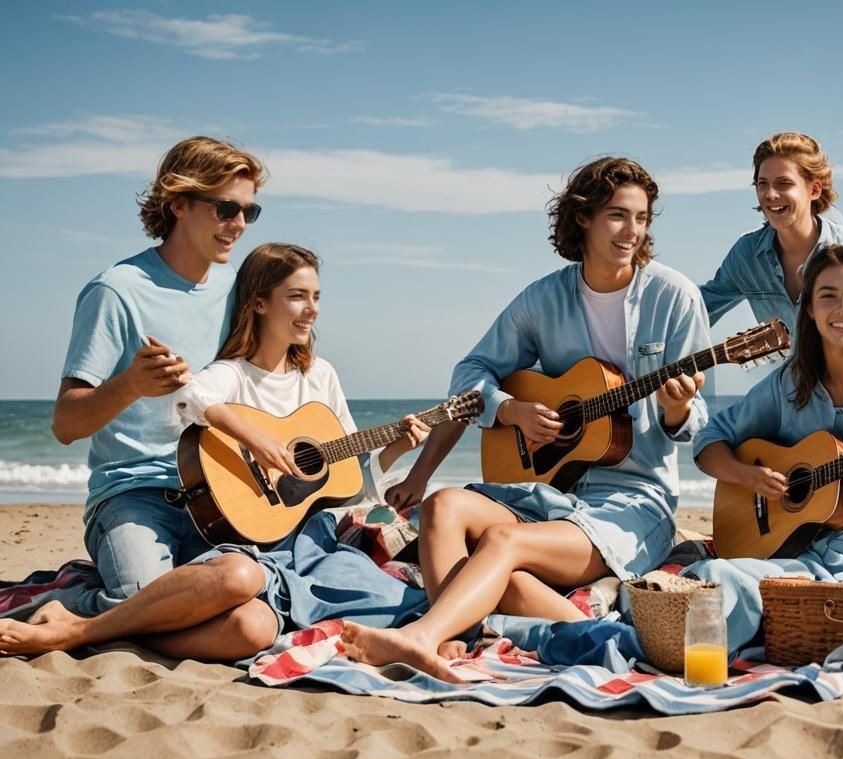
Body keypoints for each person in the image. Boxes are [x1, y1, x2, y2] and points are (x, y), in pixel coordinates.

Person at [341, 157, 711, 678]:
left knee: (500, 543)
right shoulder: (544, 299)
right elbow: (470, 371)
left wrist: (676, 410)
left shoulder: (675, 297)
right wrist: (510, 409)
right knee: (445, 507)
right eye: (617, 216)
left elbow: (696, 423)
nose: (632, 231)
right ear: (583, 217)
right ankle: (453, 638)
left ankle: (425, 634)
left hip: (631, 500)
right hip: (548, 489)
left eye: (642, 218)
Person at [0, 244, 429, 660]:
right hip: (217, 526)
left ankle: (83, 624)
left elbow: (347, 482)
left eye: (316, 296)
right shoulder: (229, 373)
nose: (312, 308)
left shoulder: (321, 375)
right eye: (298, 296)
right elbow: (188, 398)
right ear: (259, 304)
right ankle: (81, 618)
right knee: (162, 595)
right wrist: (256, 440)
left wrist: (394, 450)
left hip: (276, 539)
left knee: (252, 627)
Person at [682, 244, 843, 651]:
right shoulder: (788, 383)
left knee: (838, 603)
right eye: (828, 296)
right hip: (788, 553)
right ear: (811, 311)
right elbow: (709, 440)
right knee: (713, 574)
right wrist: (749, 476)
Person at [52, 137, 266, 616]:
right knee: (142, 603)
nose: (237, 226)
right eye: (226, 208)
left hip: (222, 494)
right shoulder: (116, 291)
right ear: (179, 204)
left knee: (248, 606)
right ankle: (62, 605)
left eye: (249, 213)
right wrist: (131, 385)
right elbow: (65, 425)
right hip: (132, 494)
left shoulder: (240, 290)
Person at [699, 131, 843, 338]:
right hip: (782, 371)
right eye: (762, 184)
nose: (770, 194)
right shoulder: (746, 254)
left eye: (783, 183)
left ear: (814, 190)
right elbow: (698, 310)